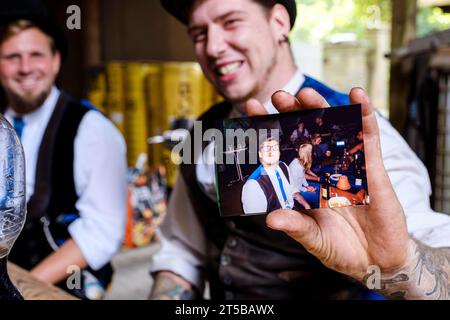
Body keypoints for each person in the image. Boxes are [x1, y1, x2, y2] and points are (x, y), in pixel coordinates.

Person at [150, 0, 450, 300]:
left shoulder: (353, 131)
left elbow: (433, 244)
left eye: (231, 22)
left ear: (279, 22)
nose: (213, 47)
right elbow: (182, 251)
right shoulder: (204, 131)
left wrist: (402, 263)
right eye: (199, 33)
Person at [0, 1, 127, 299]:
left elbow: (101, 232)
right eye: (12, 57)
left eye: (36, 55)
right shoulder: (2, 126)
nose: (25, 67)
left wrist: (20, 286)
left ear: (56, 61)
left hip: (62, 285)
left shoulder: (92, 129)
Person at [241, 135, 310, 215]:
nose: (271, 152)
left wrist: (306, 204)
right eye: (267, 149)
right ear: (260, 154)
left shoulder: (283, 166)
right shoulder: (253, 185)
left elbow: (292, 189)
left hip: (291, 211)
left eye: (275, 148)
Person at [288, 143, 319, 208]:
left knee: (319, 186)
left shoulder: (300, 162)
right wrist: (306, 189)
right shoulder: (296, 165)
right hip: (294, 192)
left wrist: (307, 186)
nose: (311, 154)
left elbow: (302, 177)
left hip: (299, 186)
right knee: (316, 196)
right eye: (310, 152)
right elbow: (295, 186)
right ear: (307, 154)